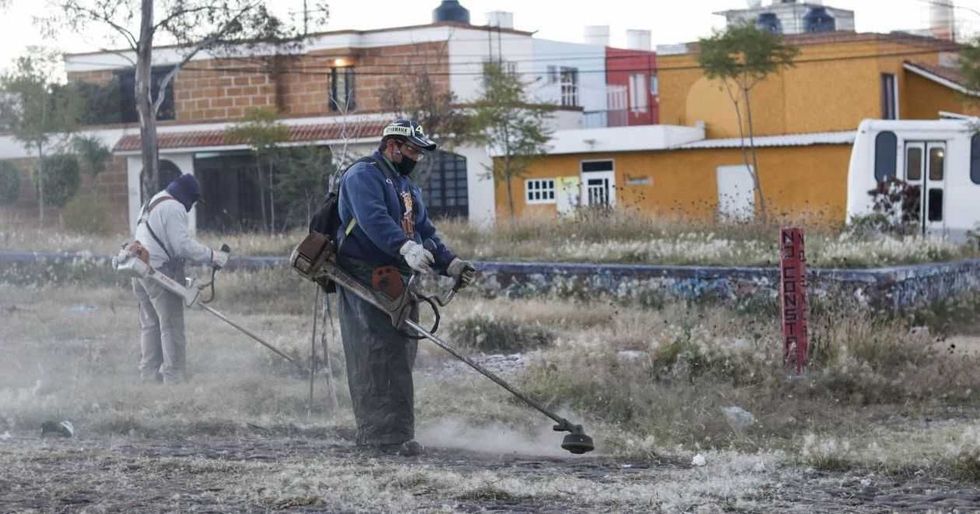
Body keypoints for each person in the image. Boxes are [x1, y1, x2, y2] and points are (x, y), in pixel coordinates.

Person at [335, 119, 476, 456]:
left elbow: (424, 230)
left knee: (397, 353)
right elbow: (373, 219)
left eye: (419, 152)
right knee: (374, 351)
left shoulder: (407, 187)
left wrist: (450, 263)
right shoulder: (363, 175)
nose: (416, 157)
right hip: (361, 273)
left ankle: (397, 433)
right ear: (392, 145)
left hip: (394, 274)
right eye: (412, 150)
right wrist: (404, 246)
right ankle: (378, 436)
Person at [132, 173, 229, 384]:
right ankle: (174, 380)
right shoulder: (174, 208)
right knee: (171, 327)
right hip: (158, 273)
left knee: (151, 326)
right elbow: (182, 246)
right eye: (193, 201)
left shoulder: (153, 201)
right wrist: (213, 256)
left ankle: (147, 377)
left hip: (140, 270)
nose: (192, 206)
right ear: (187, 196)